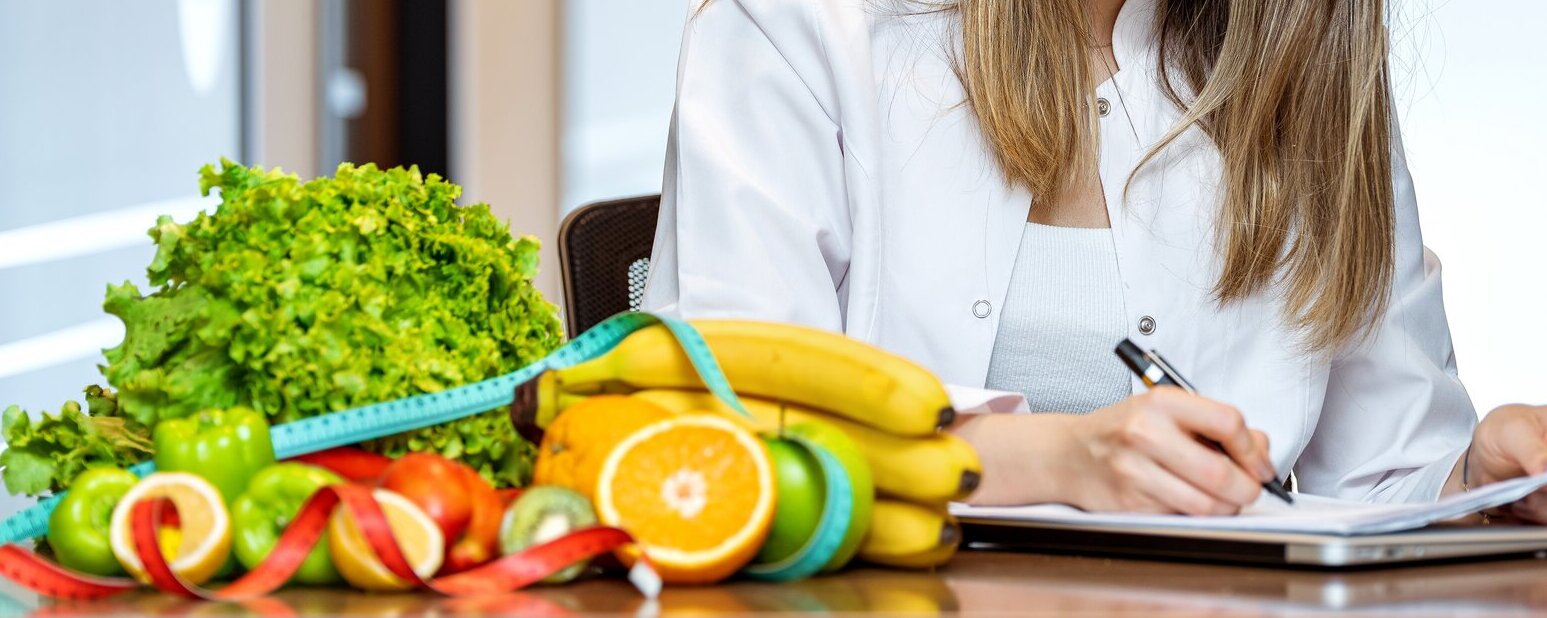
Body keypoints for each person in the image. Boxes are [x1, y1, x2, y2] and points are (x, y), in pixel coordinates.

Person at [640, 0, 1547, 519]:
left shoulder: (1304, 64)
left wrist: (1475, 485)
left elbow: (1379, 474)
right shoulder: (800, 24)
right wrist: (1057, 460)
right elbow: (732, 428)